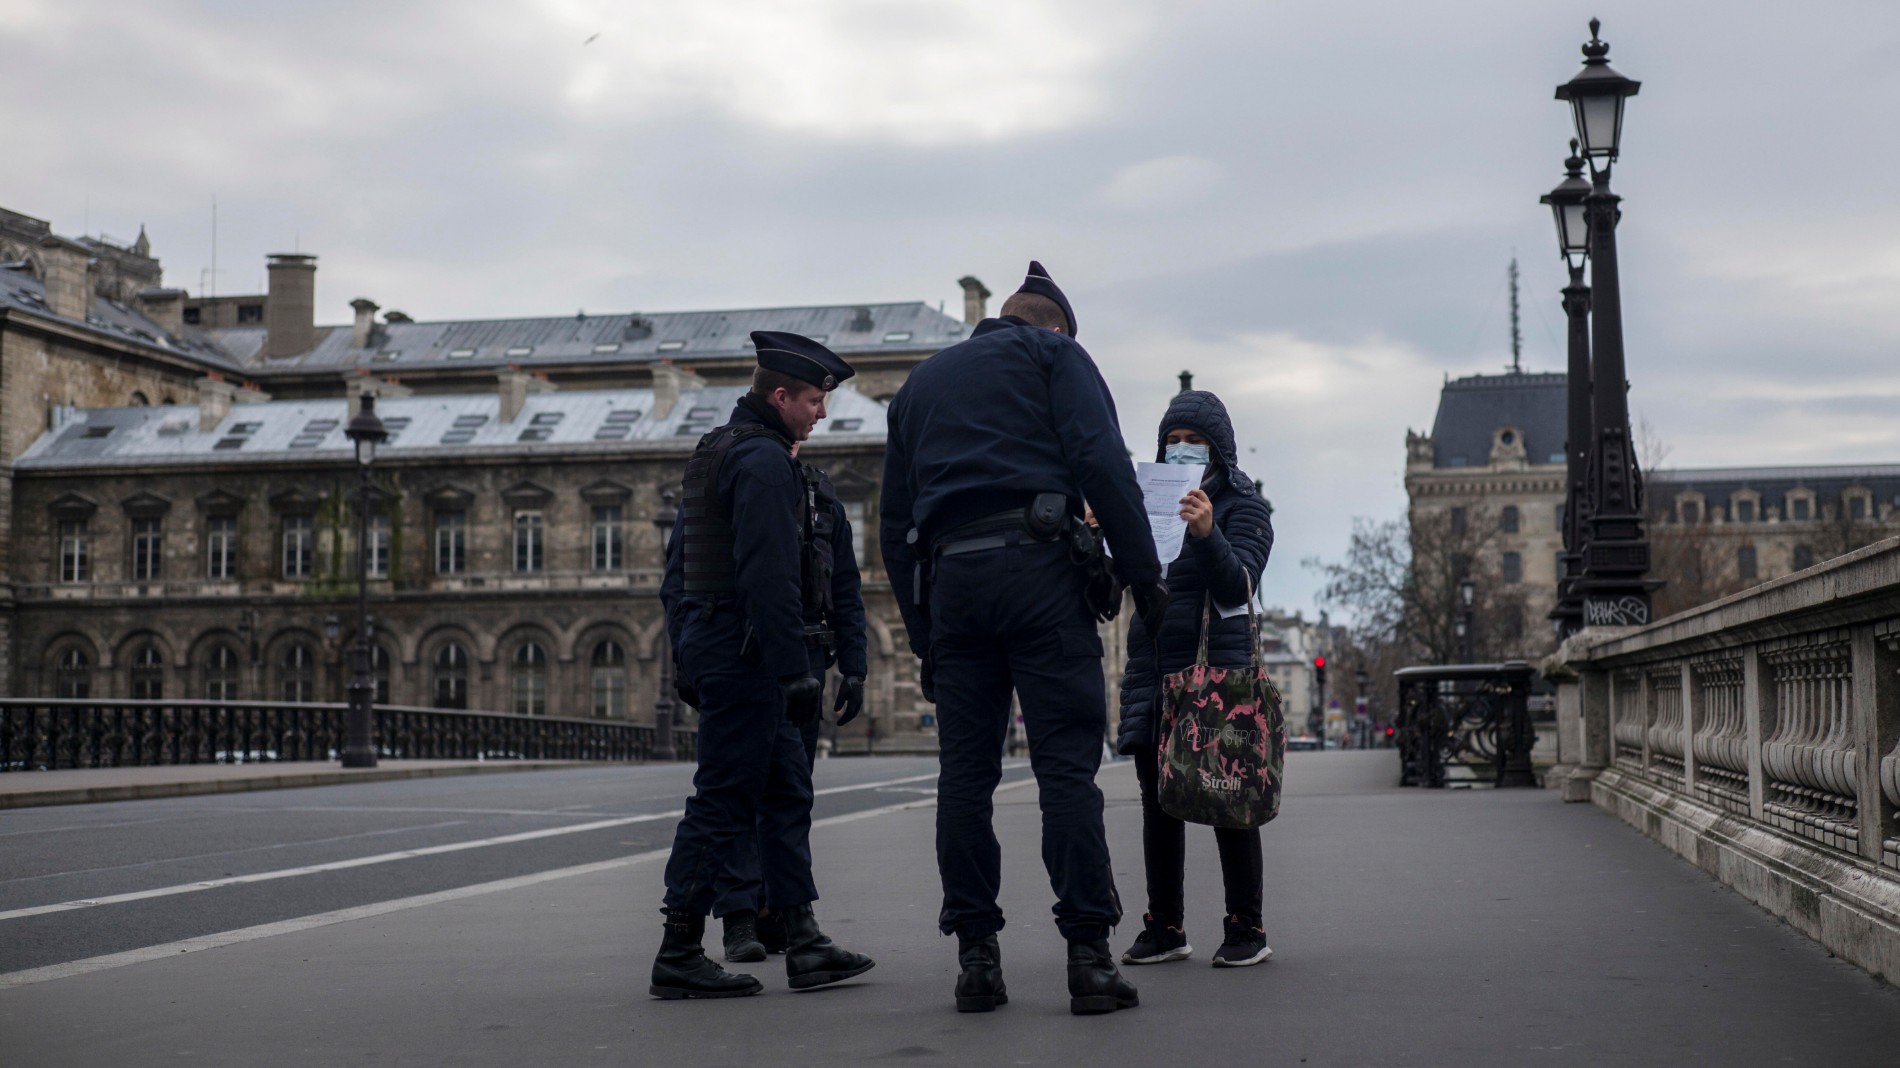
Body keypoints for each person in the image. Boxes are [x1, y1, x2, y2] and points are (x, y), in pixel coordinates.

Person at [881, 261, 1168, 1016]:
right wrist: (1144, 581)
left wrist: (924, 637)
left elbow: (892, 525)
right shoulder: (1057, 357)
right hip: (1040, 576)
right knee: (1065, 774)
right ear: (1056, 324)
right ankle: (1088, 959)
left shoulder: (919, 386)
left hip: (954, 588)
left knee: (964, 780)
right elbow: (1103, 466)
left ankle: (977, 961)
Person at [648, 331, 875, 1000]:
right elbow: (768, 575)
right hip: (750, 656)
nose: (821, 414)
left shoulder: (716, 453)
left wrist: (688, 649)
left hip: (729, 648)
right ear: (779, 396)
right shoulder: (766, 463)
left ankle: (803, 939)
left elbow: (677, 575)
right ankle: (679, 947)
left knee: (784, 793)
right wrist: (792, 671)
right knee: (724, 799)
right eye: (812, 400)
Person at [1113, 390, 1275, 968]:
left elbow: (1239, 589)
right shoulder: (1149, 505)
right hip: (1155, 672)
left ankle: (1245, 926)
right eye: (1173, 442)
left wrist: (1208, 533)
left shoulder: (1245, 508)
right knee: (1159, 804)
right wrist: (1097, 534)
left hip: (1216, 679)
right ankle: (1165, 925)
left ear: (1219, 452)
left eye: (1194, 442)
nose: (1181, 450)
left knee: (1228, 798)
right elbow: (1114, 590)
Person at [697, 443, 868, 963]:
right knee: (744, 792)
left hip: (809, 657)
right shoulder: (734, 492)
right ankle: (740, 919)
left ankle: (777, 914)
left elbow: (845, 586)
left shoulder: (824, 500)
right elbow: (686, 579)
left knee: (791, 793)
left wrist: (855, 665)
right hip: (750, 655)